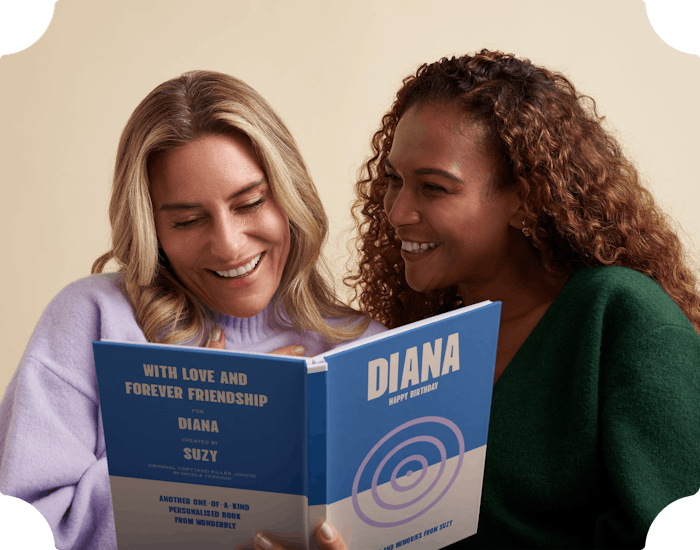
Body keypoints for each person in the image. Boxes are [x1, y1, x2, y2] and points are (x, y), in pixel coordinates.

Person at [0, 70, 384, 550]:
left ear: (290, 196)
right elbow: (24, 529)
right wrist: (209, 442)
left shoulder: (365, 349)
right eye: (187, 220)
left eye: (250, 203)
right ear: (151, 228)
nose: (227, 245)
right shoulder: (92, 320)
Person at [341, 49, 700, 549]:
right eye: (394, 181)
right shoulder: (426, 339)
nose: (397, 211)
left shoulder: (619, 316)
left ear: (526, 198)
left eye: (434, 188)